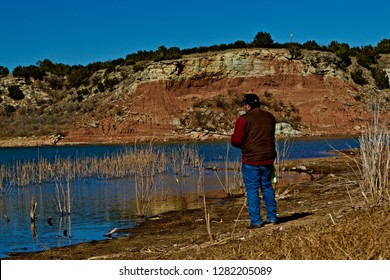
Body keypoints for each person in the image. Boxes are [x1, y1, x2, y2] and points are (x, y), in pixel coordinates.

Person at [231, 93, 277, 229]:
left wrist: (238, 142)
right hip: (268, 158)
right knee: (267, 187)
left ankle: (256, 221)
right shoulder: (270, 117)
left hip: (251, 159)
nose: (244, 107)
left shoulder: (243, 119)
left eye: (244, 104)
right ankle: (272, 218)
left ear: (247, 105)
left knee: (252, 190)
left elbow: (236, 141)